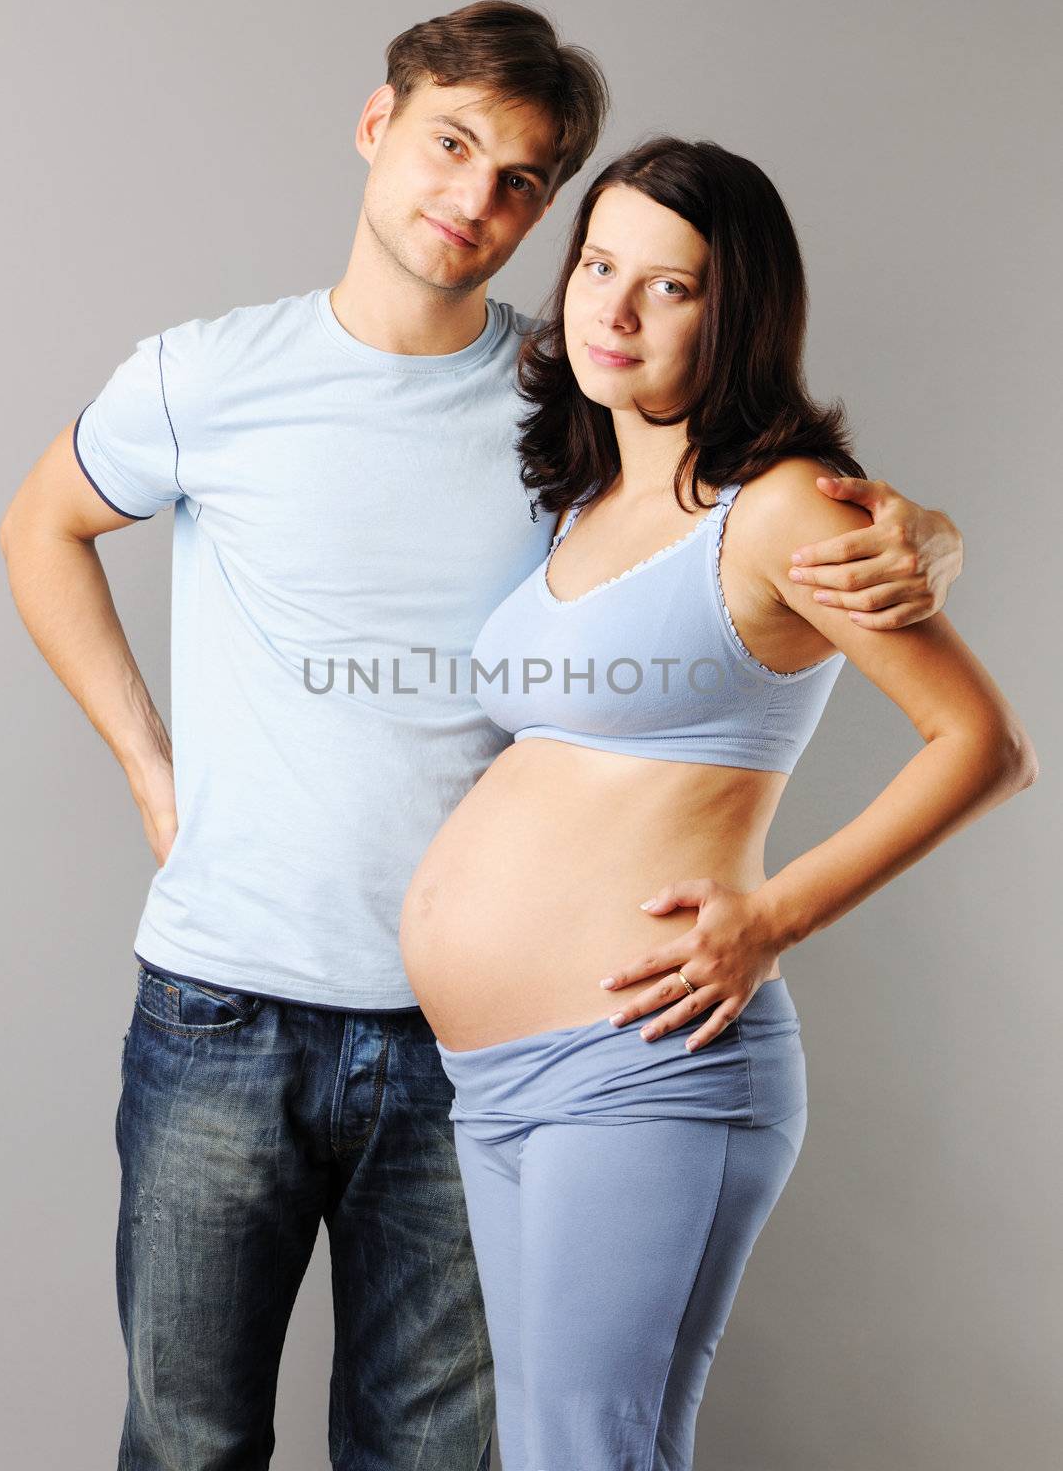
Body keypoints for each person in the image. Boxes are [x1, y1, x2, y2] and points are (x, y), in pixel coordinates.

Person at [0, 0, 965, 1471]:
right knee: (185, 1442)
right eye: (452, 144)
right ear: (376, 126)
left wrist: (925, 533)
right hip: (221, 1006)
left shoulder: (564, 399)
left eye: (521, 180)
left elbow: (756, 498)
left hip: (470, 1048)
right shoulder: (208, 374)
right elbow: (43, 523)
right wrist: (150, 760)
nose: (475, 198)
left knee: (439, 1452)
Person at [398, 136, 1037, 1471]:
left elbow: (982, 744)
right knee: (561, 1451)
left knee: (587, 1448)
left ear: (737, 309)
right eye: (599, 266)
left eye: (671, 287)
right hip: (500, 1078)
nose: (614, 310)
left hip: (642, 1066)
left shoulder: (781, 505)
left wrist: (770, 918)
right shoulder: (585, 497)